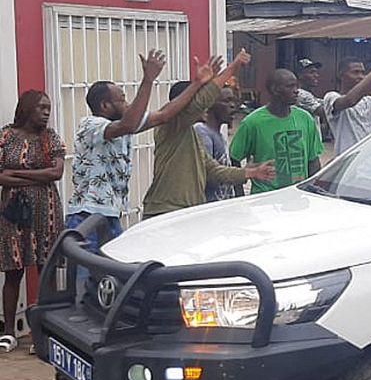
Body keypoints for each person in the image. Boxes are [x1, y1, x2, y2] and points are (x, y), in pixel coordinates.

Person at [66, 49, 186, 244]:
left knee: (110, 273)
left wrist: (198, 84)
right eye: (122, 100)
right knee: (85, 274)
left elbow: (164, 115)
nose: (127, 104)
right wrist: (147, 81)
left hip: (110, 215)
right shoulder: (91, 125)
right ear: (105, 106)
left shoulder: (123, 125)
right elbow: (128, 124)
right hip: (87, 217)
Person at [142, 52, 276, 218]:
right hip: (167, 212)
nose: (203, 108)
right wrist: (233, 68)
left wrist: (251, 173)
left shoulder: (190, 134)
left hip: (186, 211)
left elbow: (213, 170)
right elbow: (202, 101)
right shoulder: (171, 124)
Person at [0, 92, 65, 353]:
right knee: (13, 271)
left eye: (48, 108)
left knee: (45, 270)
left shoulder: (51, 138)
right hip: (13, 215)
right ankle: (8, 332)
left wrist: (16, 173)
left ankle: (45, 330)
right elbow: (0, 177)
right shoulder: (6, 136)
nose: (46, 112)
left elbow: (56, 172)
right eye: (41, 107)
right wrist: (38, 177)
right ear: (27, 109)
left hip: (46, 213)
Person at [230, 69, 323, 194]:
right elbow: (234, 158)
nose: (296, 91)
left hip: (298, 196)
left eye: (297, 86)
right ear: (275, 90)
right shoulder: (253, 122)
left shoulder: (305, 118)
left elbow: (313, 160)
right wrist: (240, 195)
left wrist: (313, 190)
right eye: (290, 86)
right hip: (265, 198)